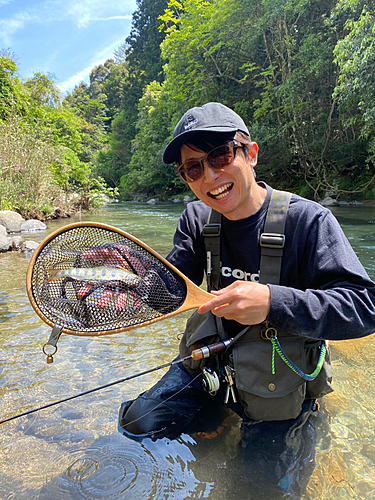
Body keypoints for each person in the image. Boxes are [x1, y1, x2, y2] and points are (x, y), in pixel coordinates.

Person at [118, 102, 375, 497]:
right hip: (212, 366)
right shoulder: (195, 218)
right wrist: (133, 281)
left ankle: (306, 419)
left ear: (250, 154)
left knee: (256, 492)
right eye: (193, 168)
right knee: (136, 425)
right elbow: (173, 289)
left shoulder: (309, 221)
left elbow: (363, 306)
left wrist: (274, 301)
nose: (210, 176)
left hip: (279, 386)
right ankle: (217, 413)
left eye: (219, 156)